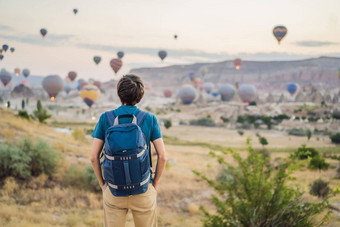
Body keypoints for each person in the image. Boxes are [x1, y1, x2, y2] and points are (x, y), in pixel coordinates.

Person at [90, 74, 167, 227]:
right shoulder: (149, 119)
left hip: (114, 190)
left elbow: (93, 157)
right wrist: (155, 183)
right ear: (140, 95)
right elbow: (163, 156)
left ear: (119, 94)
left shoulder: (106, 118)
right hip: (143, 188)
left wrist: (103, 184)